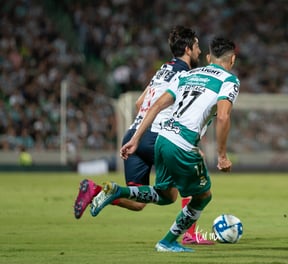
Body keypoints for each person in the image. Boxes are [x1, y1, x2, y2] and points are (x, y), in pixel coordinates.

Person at [89, 36, 239, 252]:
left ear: (208, 57)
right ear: (232, 59)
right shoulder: (229, 80)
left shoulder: (189, 74)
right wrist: (222, 156)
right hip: (183, 143)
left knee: (167, 195)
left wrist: (135, 138)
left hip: (162, 137)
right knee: (203, 196)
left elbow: (156, 105)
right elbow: (223, 117)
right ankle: (167, 241)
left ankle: (118, 191)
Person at [74, 25, 211, 244]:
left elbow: (140, 103)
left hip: (133, 134)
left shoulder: (162, 71)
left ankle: (98, 190)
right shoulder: (187, 75)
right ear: (187, 48)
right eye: (196, 47)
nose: (199, 51)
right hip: (155, 136)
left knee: (140, 201)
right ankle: (189, 234)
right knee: (191, 167)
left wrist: (140, 134)